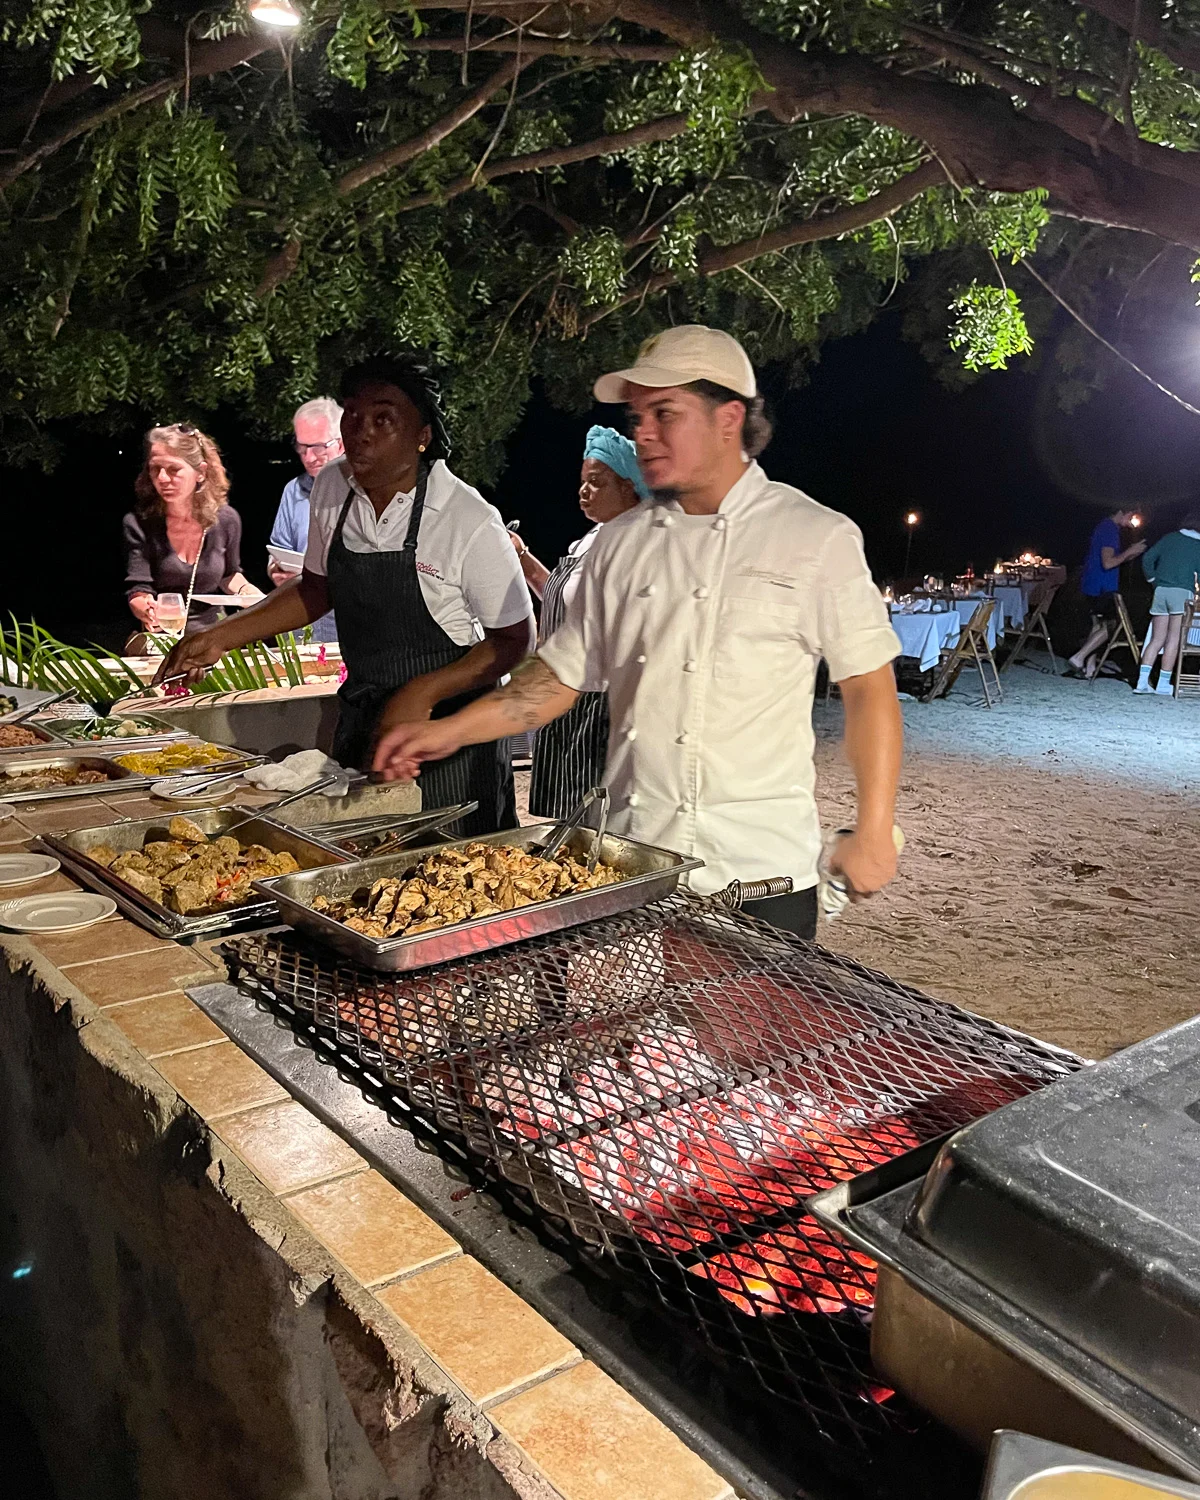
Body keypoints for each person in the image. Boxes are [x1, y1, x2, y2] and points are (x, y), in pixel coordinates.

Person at [373, 326, 904, 940]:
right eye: (638, 415)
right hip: (631, 864)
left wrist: (872, 826)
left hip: (764, 873)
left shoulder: (815, 536)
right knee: (630, 1037)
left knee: (751, 1039)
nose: (642, 432)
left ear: (729, 418)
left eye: (664, 413)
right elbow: (557, 678)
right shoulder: (620, 545)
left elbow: (868, 689)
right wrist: (449, 731)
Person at [156, 355, 534, 835]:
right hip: (365, 714)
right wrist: (223, 637)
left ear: (423, 436)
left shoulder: (464, 516)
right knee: (361, 856)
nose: (362, 431)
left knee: (453, 871)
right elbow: (317, 587)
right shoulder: (334, 486)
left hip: (451, 734)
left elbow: (515, 638)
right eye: (352, 416)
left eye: (383, 419)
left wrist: (423, 692)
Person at [512, 426, 650, 818]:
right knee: (563, 820)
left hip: (598, 705)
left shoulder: (636, 546)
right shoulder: (592, 539)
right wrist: (521, 556)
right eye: (583, 481)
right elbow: (558, 596)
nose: (584, 491)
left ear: (629, 487)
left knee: (592, 822)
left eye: (596, 482)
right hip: (566, 696)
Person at [124, 423, 260, 642]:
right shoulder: (140, 523)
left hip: (214, 638)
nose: (162, 478)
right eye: (155, 469)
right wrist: (147, 609)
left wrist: (247, 592)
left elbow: (229, 574)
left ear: (200, 472)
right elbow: (138, 589)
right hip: (163, 641)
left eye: (173, 469)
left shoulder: (225, 519)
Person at [267, 397, 343, 643]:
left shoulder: (366, 489)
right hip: (301, 623)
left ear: (341, 444)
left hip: (348, 625)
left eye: (318, 447)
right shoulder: (293, 490)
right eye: (302, 448)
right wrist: (276, 572)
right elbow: (278, 551)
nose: (309, 457)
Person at [1067, 508, 1146, 678]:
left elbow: (1114, 559)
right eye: (1132, 515)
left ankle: (1090, 668)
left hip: (1093, 583)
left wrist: (1130, 554)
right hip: (1103, 585)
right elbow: (1108, 563)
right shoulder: (1109, 529)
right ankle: (1078, 657)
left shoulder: (1105, 527)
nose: (1133, 520)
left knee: (1097, 626)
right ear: (1122, 511)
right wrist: (1130, 552)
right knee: (1112, 626)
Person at [1134, 513, 1200, 694]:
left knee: (1156, 639)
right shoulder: (1197, 545)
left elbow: (1147, 558)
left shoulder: (1170, 538)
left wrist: (1153, 579)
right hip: (1182, 593)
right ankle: (1163, 683)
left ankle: (1142, 682)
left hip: (1160, 591)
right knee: (1173, 640)